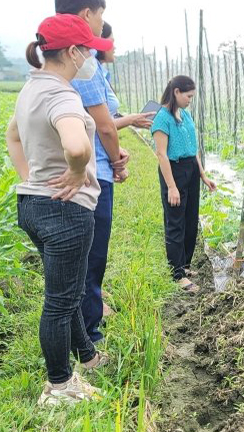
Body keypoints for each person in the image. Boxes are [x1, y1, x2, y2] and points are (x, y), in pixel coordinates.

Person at [6, 14, 113, 404]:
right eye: (87, 50)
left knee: (65, 291)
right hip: (65, 210)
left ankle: (86, 356)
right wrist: (77, 170)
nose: (91, 58)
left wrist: (30, 177)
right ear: (72, 52)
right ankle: (59, 385)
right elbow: (77, 145)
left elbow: (12, 135)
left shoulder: (31, 88)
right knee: (60, 301)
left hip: (33, 204)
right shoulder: (63, 95)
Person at [76, 21, 155, 343]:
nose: (115, 48)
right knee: (91, 253)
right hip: (91, 173)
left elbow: (100, 126)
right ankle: (89, 333)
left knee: (92, 253)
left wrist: (115, 153)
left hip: (97, 167)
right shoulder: (87, 68)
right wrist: (115, 155)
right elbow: (102, 126)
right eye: (112, 41)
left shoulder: (90, 69)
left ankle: (92, 305)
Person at [152, 76, 216, 292]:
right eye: (188, 96)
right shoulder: (162, 118)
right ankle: (176, 274)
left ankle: (185, 265)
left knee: (190, 219)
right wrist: (171, 186)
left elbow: (193, 149)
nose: (190, 100)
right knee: (175, 222)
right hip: (174, 170)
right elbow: (161, 154)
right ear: (176, 92)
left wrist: (203, 176)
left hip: (190, 169)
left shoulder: (185, 115)